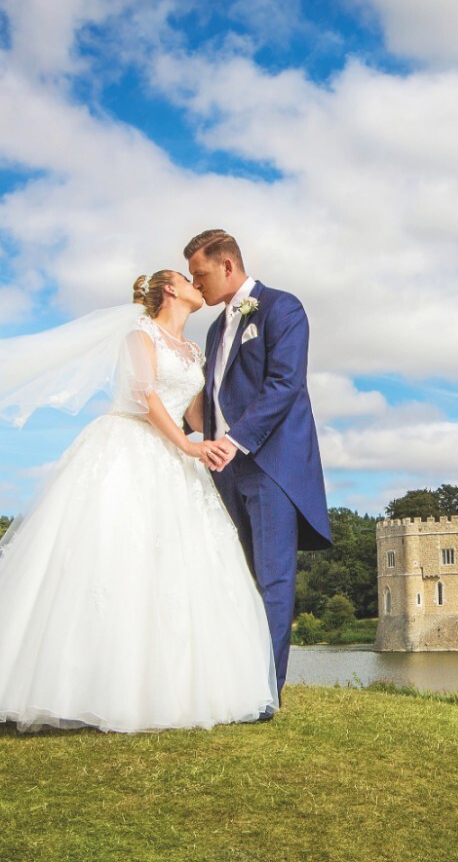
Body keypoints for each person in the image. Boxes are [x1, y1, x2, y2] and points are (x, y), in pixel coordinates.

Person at [0, 270, 278, 733]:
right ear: (169, 289)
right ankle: (77, 686)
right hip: (127, 446)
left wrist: (230, 437)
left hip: (174, 459)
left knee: (177, 565)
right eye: (186, 279)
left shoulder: (193, 352)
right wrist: (187, 446)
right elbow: (144, 396)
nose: (196, 284)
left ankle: (168, 690)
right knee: (112, 553)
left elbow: (195, 414)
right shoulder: (139, 334)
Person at [184, 230, 332, 701]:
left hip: (269, 464)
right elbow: (211, 397)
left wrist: (235, 441)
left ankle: (266, 692)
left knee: (272, 579)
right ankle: (236, 681)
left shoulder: (282, 308)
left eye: (200, 274)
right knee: (237, 576)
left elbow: (285, 384)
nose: (196, 284)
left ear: (227, 266)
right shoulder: (214, 329)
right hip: (222, 469)